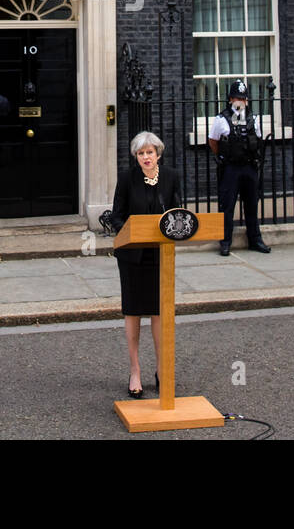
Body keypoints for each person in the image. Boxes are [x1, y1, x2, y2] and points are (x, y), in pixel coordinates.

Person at [109, 130, 182, 399]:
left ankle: (162, 370)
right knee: (133, 312)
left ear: (158, 154)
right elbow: (116, 217)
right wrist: (130, 231)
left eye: (150, 152)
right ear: (136, 157)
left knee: (159, 312)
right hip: (133, 256)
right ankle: (135, 370)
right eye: (141, 153)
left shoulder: (171, 177)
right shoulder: (127, 179)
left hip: (160, 255)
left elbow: (177, 213)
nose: (146, 157)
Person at [207, 78, 271, 256]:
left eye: (242, 99)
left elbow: (258, 140)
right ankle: (225, 242)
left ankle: (255, 240)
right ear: (230, 100)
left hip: (249, 167)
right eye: (236, 98)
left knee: (251, 204)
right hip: (231, 168)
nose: (239, 102)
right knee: (227, 206)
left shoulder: (254, 118)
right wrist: (226, 156)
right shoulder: (221, 119)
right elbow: (213, 142)